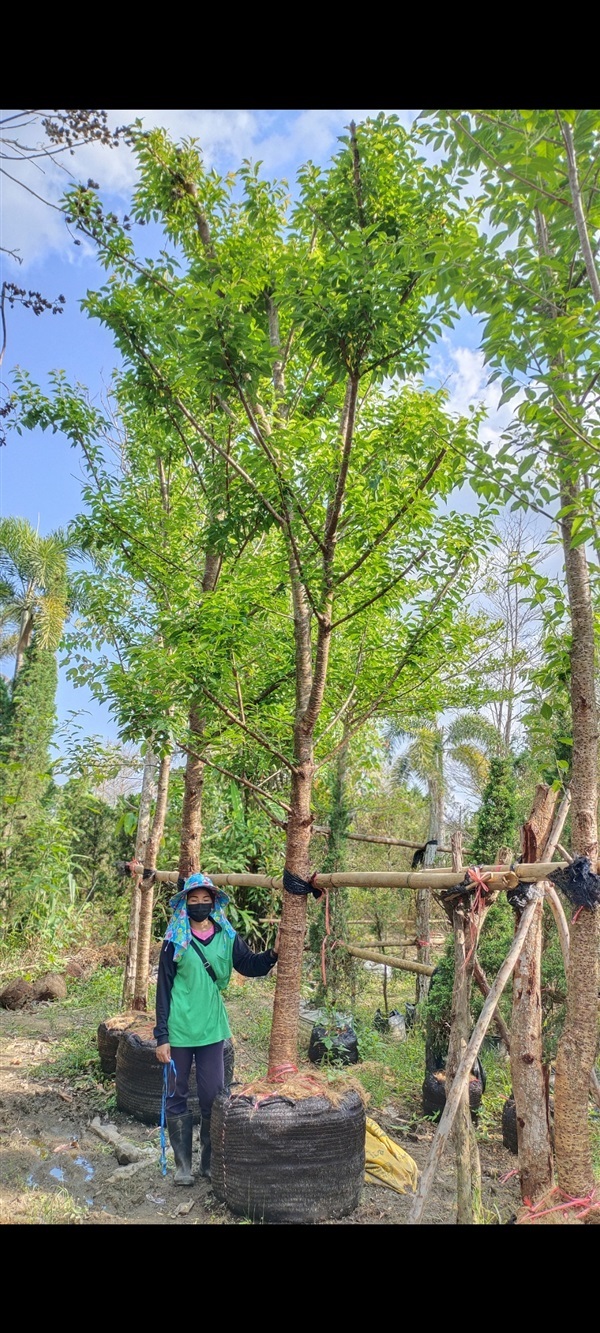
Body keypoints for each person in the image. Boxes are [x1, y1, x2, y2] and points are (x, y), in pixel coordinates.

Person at [154, 871, 280, 1185]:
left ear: (213, 902)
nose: (199, 904)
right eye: (192, 900)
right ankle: (184, 1166)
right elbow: (163, 989)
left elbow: (249, 964)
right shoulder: (175, 940)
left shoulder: (226, 935)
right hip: (179, 1029)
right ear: (185, 904)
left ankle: (208, 1163)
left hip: (212, 1030)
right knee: (176, 1094)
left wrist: (274, 954)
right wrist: (162, 1037)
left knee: (214, 1096)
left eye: (204, 899)